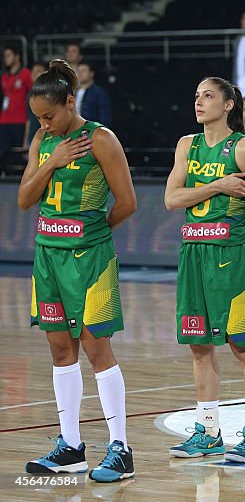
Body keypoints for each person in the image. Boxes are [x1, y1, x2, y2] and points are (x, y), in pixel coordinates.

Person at [19, 60, 137, 481]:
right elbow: (24, 198)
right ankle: (71, 446)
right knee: (59, 350)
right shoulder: (42, 141)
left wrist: (94, 233)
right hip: (48, 256)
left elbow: (126, 202)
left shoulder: (101, 139)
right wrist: (51, 161)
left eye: (50, 115)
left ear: (71, 102)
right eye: (38, 118)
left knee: (95, 348)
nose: (44, 124)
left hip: (89, 258)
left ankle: (121, 449)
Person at [164, 77, 245, 462]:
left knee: (244, 347)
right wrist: (217, 185)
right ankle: (208, 431)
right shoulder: (186, 146)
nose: (199, 102)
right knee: (199, 346)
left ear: (229, 105)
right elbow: (171, 199)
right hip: (194, 253)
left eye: (208, 96)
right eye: (196, 96)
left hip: (234, 255)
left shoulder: (244, 149)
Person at [1, 44, 33, 154]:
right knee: (4, 154)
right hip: (4, 120)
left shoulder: (26, 73)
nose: (6, 59)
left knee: (18, 154)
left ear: (17, 56)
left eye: (9, 55)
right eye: (5, 56)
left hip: (20, 120)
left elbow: (33, 94)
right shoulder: (4, 77)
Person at [75, 62, 112, 127]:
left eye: (83, 71)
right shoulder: (73, 92)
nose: (80, 74)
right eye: (78, 71)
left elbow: (104, 117)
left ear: (91, 74)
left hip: (91, 131)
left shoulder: (99, 92)